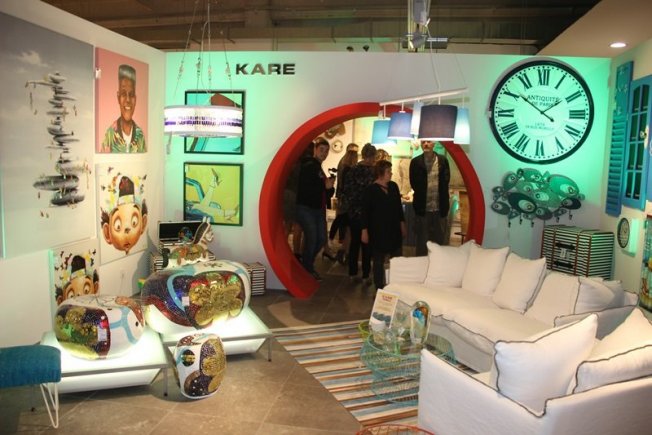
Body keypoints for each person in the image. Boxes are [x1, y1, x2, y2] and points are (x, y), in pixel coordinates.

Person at [361, 160, 406, 290]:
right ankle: (379, 287)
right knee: (378, 260)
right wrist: (364, 230)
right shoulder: (370, 190)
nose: (391, 173)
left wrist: (402, 224)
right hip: (378, 230)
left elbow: (398, 208)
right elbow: (365, 212)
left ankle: (396, 284)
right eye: (388, 171)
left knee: (397, 259)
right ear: (380, 173)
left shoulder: (393, 186)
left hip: (394, 229)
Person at [295, 137, 335, 280]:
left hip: (317, 208)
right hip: (306, 207)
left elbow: (326, 191)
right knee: (313, 238)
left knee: (321, 238)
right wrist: (325, 186)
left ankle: (307, 265)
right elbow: (307, 187)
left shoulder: (318, 167)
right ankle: (307, 267)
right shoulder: (309, 165)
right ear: (315, 150)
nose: (324, 153)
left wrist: (328, 187)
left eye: (326, 151)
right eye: (321, 150)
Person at [340, 143, 377, 282]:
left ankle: (352, 272)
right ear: (372, 156)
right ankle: (366, 274)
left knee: (355, 243)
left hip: (354, 213)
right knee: (367, 244)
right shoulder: (374, 172)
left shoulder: (353, 170)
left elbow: (347, 191)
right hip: (369, 214)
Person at [409, 140, 451, 255]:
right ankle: (421, 264)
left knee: (439, 243)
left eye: (429, 141)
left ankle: (437, 265)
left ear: (434, 144)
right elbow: (413, 183)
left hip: (439, 208)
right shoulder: (415, 162)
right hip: (423, 209)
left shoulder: (443, 160)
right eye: (423, 142)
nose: (426, 144)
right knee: (422, 243)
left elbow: (446, 181)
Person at [101, 64, 146, 153]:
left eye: (131, 95)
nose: (128, 100)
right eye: (124, 94)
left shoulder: (140, 135)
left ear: (135, 99)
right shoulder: (110, 134)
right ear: (118, 97)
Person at [328, 145, 359, 263]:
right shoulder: (348, 170)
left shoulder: (344, 167)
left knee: (342, 221)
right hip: (347, 200)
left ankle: (340, 247)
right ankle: (339, 246)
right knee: (343, 220)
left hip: (343, 198)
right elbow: (348, 186)